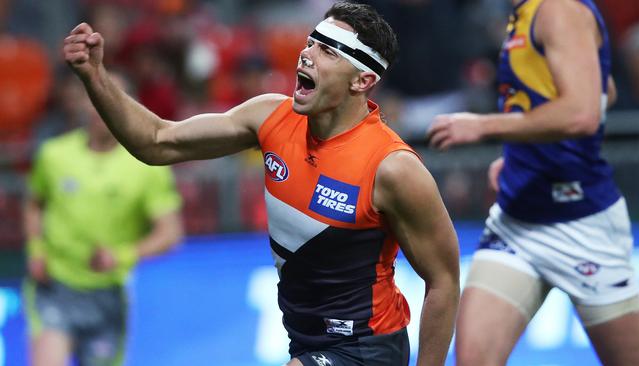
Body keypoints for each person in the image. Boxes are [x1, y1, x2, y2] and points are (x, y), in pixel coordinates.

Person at [63, 2, 460, 365]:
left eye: (328, 50)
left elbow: (443, 279)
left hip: (365, 347)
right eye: (312, 41)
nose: (307, 53)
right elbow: (156, 142)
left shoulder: (392, 168)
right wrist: (94, 75)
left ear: (362, 80)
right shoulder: (270, 117)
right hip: (302, 340)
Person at [427, 0, 639, 365]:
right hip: (516, 224)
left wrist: (482, 126)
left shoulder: (558, 9)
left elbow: (583, 112)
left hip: (583, 225)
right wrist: (523, 153)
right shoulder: (525, 12)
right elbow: (602, 88)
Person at [22, 75, 184, 366]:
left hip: (107, 292)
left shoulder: (147, 166)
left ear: (128, 107)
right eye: (94, 98)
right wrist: (36, 249)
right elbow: (34, 204)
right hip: (55, 284)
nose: (100, 108)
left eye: (111, 99)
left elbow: (170, 233)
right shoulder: (54, 154)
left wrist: (121, 255)